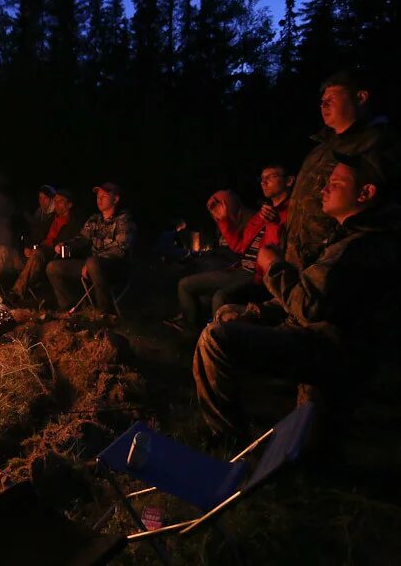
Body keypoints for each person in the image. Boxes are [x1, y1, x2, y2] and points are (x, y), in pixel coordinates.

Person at [192, 153, 401, 437]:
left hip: (328, 346)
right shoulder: (345, 234)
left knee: (214, 339)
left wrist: (274, 266)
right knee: (227, 314)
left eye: (335, 184)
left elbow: (309, 306)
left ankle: (227, 439)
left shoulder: (360, 247)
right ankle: (258, 408)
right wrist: (259, 309)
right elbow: (312, 294)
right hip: (312, 326)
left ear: (366, 193)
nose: (323, 189)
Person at [285, 70, 400, 270]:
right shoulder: (320, 150)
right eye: (322, 101)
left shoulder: (379, 147)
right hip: (296, 260)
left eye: (331, 98)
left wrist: (337, 251)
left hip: (331, 264)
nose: (323, 105)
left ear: (361, 97)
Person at [169, 166, 294, 334]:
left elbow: (276, 252)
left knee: (220, 296)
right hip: (242, 269)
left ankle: (221, 342)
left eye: (271, 176)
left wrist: (274, 222)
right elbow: (239, 246)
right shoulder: (261, 214)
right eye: (262, 177)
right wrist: (222, 220)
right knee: (185, 284)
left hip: (260, 277)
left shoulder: (293, 214)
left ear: (289, 181)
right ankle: (192, 333)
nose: (264, 181)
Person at [46, 183, 136, 314]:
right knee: (53, 267)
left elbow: (120, 250)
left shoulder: (124, 221)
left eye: (104, 196)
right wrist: (65, 245)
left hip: (117, 268)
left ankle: (104, 312)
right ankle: (69, 308)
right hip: (92, 265)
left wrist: (92, 262)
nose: (99, 199)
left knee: (92, 262)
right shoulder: (94, 220)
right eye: (98, 196)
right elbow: (82, 238)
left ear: (115, 199)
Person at [8, 188, 81, 300]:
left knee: (37, 253)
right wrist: (27, 247)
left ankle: (16, 293)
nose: (56, 204)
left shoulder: (74, 223)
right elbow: (35, 234)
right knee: (2, 250)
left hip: (51, 258)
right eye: (55, 201)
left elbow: (72, 244)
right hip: (35, 256)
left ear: (69, 204)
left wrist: (43, 249)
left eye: (60, 201)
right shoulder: (52, 218)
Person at [0, 185, 57, 289]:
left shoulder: (56, 217)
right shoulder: (38, 214)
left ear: (52, 199)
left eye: (45, 198)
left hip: (39, 259)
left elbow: (50, 241)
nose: (42, 201)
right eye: (40, 198)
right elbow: (26, 237)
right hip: (25, 257)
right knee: (1, 249)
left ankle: (16, 293)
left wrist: (35, 249)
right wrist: (22, 250)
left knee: (35, 254)